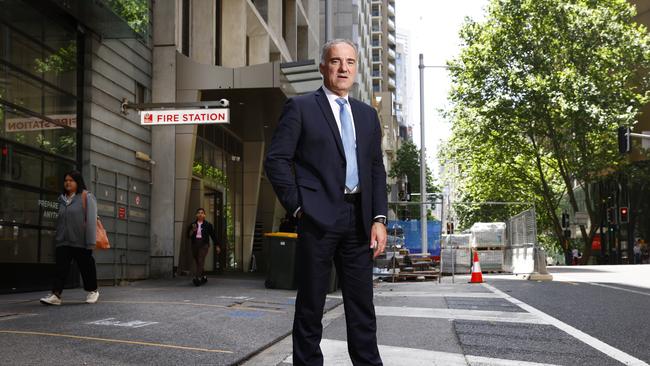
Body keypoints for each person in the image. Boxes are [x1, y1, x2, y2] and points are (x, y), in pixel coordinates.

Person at [264, 39, 388, 366]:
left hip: (359, 220)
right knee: (311, 306)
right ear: (324, 67)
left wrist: (379, 218)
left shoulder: (367, 115)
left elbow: (376, 168)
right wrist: (298, 206)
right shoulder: (301, 107)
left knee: (362, 307)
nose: (343, 68)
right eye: (336, 61)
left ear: (356, 68)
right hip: (317, 219)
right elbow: (276, 160)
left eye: (349, 62)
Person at [40, 171, 99, 306]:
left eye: (71, 180)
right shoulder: (61, 199)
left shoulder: (86, 197)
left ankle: (92, 291)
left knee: (86, 267)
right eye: (66, 180)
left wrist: (90, 242)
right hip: (63, 241)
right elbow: (59, 220)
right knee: (60, 268)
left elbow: (91, 221)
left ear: (77, 182)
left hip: (81, 241)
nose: (68, 182)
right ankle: (56, 295)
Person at [187, 208, 220, 286]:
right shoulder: (192, 224)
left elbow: (213, 236)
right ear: (196, 215)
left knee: (200, 259)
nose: (200, 214)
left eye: (202, 213)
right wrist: (192, 230)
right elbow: (188, 236)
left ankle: (197, 278)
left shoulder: (208, 225)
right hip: (195, 244)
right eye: (199, 213)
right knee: (198, 262)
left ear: (204, 215)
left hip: (204, 244)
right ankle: (204, 276)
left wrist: (217, 245)